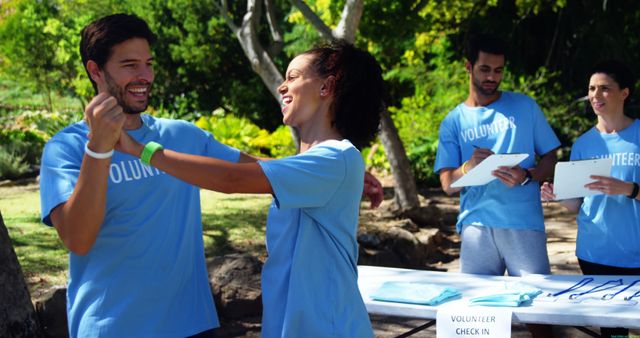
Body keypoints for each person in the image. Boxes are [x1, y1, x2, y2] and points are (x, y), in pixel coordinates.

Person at [39, 14, 382, 337]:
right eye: (130, 65)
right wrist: (99, 148)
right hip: (112, 328)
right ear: (95, 70)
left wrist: (341, 173)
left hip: (192, 324)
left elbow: (243, 173)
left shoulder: (181, 136)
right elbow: (78, 239)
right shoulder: (65, 148)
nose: (145, 75)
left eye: (149, 64)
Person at [434, 34, 559, 337]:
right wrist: (468, 166)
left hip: (523, 223)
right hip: (476, 226)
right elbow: (448, 184)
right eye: (485, 69)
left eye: (499, 70)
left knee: (539, 314)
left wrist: (528, 174)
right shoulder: (453, 121)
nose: (493, 77)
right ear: (469, 66)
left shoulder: (525, 107)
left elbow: (552, 156)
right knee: (477, 318)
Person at [541, 60, 640, 338]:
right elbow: (581, 204)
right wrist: (558, 196)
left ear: (624, 93)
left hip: (636, 252)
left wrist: (629, 189)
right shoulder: (584, 143)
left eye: (605, 89)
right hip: (595, 253)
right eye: (592, 89)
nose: (596, 95)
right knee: (614, 331)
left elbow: (629, 190)